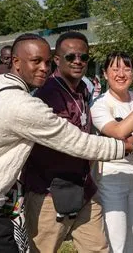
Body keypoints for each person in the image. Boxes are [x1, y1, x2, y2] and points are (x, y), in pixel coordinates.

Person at [0, 33, 133, 252]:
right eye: (36, 61)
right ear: (16, 62)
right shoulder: (28, 103)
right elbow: (78, 143)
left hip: (80, 190)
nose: (44, 68)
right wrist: (131, 146)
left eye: (83, 58)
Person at [21, 32, 107, 252]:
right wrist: (125, 146)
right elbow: (72, 143)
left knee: (98, 248)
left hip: (84, 189)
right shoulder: (47, 95)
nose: (78, 61)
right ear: (57, 60)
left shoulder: (83, 90)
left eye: (83, 57)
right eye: (70, 57)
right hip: (48, 193)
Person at [91, 51, 133, 253]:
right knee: (115, 241)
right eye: (115, 68)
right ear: (105, 74)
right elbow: (118, 132)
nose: (121, 73)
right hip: (112, 176)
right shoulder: (100, 104)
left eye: (127, 68)